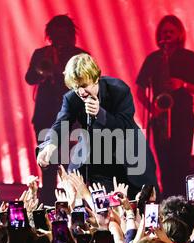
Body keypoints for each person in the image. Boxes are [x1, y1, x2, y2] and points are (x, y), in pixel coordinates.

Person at [36, 53, 159, 199]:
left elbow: (125, 126)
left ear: (95, 79)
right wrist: (49, 146)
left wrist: (101, 114)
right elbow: (61, 123)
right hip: (97, 158)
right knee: (98, 204)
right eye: (76, 87)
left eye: (84, 85)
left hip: (128, 156)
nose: (81, 92)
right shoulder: (72, 98)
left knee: (138, 203)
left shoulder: (118, 90)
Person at [136, 15, 194, 198]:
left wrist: (183, 84)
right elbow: (139, 89)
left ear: (179, 34)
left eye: (171, 32)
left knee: (181, 165)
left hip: (182, 118)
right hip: (160, 120)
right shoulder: (153, 59)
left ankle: (182, 205)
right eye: (164, 31)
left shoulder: (189, 57)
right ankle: (167, 204)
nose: (167, 35)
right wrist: (153, 108)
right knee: (165, 168)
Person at [26, 15, 88, 205]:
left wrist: (59, 70)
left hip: (71, 117)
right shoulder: (41, 53)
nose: (59, 37)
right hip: (45, 116)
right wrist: (44, 67)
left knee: (72, 165)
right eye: (56, 33)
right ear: (50, 35)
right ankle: (47, 206)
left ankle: (75, 206)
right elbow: (29, 78)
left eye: (63, 33)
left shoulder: (79, 55)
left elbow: (88, 82)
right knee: (47, 166)